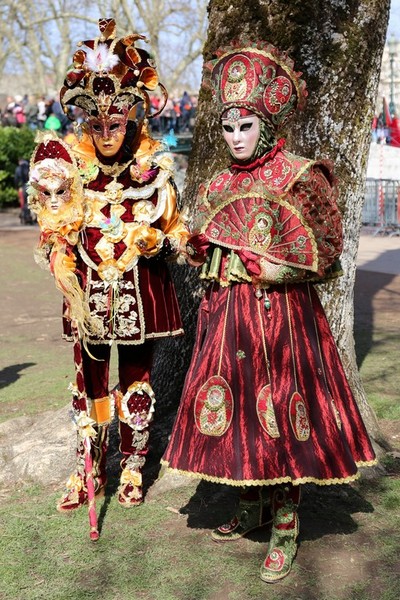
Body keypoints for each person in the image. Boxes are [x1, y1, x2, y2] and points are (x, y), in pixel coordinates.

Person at [161, 39, 377, 583]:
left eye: (246, 127)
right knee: (235, 416)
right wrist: (201, 248)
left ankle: (285, 521)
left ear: (267, 124)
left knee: (279, 415)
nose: (235, 138)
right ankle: (251, 503)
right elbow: (205, 244)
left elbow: (323, 253)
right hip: (228, 317)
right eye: (228, 128)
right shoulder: (215, 184)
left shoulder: (300, 177)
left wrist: (265, 266)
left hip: (282, 321)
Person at [29, 18, 189, 512]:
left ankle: (135, 465)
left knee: (138, 382)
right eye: (95, 124)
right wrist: (58, 256)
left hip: (140, 293)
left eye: (114, 123)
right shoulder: (70, 165)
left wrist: (160, 238)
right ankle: (88, 469)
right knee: (88, 385)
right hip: (90, 295)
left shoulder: (154, 165)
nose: (104, 134)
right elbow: (53, 221)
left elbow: (176, 225)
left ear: (131, 118)